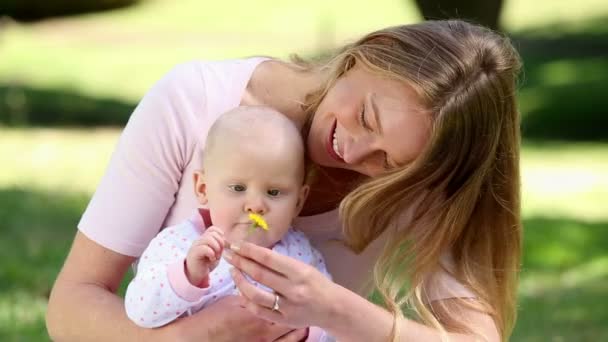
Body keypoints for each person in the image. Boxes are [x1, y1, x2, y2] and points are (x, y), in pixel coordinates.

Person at [47, 19, 522, 341]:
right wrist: (199, 334)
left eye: (388, 162)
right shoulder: (194, 101)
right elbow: (70, 305)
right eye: (366, 117)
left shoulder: (422, 180)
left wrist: (336, 312)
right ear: (369, 53)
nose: (353, 151)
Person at [123, 106, 331, 340]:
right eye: (238, 188)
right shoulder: (178, 246)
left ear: (298, 201)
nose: (256, 205)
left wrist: (308, 333)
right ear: (203, 189)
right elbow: (139, 310)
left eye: (273, 192)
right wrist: (187, 275)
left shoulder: (301, 256)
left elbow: (333, 318)